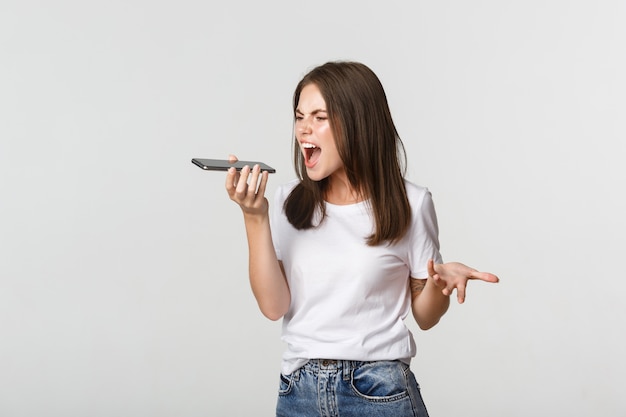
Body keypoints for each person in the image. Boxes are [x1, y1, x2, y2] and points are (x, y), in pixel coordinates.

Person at [225, 61, 498, 417]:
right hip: (299, 392)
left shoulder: (411, 203)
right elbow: (273, 306)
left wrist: (439, 285)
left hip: (379, 390)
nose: (304, 129)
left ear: (358, 123)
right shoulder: (285, 202)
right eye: (299, 116)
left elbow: (426, 316)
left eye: (319, 117)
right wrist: (254, 216)